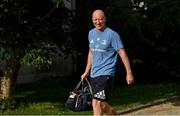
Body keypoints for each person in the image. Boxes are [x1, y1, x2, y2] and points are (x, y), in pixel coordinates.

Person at [81, 9, 134, 115]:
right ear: (92, 20)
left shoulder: (112, 34)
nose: (98, 22)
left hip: (106, 73)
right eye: (95, 19)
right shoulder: (91, 33)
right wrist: (86, 71)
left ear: (105, 19)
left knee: (99, 103)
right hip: (94, 74)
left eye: (100, 19)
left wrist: (129, 73)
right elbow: (91, 53)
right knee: (97, 103)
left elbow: (122, 53)